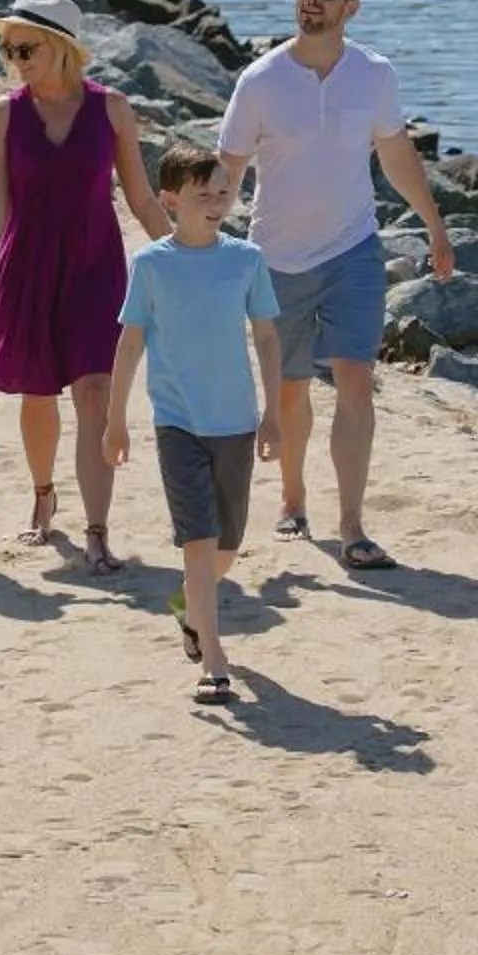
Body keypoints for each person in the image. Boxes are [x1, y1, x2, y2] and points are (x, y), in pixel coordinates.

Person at [215, 0, 453, 573]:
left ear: (352, 7)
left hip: (353, 250)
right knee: (291, 391)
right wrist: (200, 242)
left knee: (354, 378)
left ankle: (352, 526)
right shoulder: (260, 80)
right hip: (277, 258)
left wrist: (435, 226)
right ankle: (293, 499)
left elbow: (396, 155)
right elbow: (230, 168)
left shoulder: (374, 75)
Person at [0, 0, 169, 574]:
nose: (15, 59)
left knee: (96, 392)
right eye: (8, 49)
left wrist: (187, 258)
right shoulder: (2, 115)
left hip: (96, 265)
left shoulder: (112, 109)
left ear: (61, 47)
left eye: (26, 48)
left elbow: (141, 197)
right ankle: (44, 493)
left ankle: (97, 531)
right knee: (37, 392)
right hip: (27, 265)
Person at [104, 144, 282, 707]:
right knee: (198, 544)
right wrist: (115, 420)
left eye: (224, 193)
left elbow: (267, 337)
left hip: (236, 421)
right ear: (170, 200)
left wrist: (274, 413)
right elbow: (130, 342)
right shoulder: (151, 265)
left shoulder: (247, 259)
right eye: (203, 194)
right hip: (177, 421)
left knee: (227, 545)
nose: (216, 203)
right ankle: (213, 661)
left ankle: (188, 609)